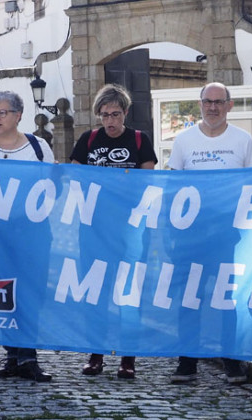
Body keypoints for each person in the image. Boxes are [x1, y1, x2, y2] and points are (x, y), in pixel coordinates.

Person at [166, 82, 252, 384]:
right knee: (189, 296)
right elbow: (173, 186)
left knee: (225, 297)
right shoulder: (183, 141)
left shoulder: (243, 140)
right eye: (208, 102)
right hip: (190, 234)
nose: (213, 107)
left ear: (229, 105)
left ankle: (231, 361)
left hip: (226, 235)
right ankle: (187, 361)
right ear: (200, 104)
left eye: (219, 102)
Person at [69, 83, 157, 379]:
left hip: (130, 230)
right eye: (105, 115)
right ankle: (95, 354)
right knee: (97, 292)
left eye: (116, 114)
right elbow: (75, 176)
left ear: (125, 113)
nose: (110, 121)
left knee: (128, 293)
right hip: (93, 230)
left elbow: (149, 181)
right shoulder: (88, 139)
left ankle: (128, 358)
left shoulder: (139, 139)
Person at [0, 91, 56, 382]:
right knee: (4, 293)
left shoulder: (38, 147)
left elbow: (52, 187)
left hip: (32, 232)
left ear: (18, 115)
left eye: (2, 112)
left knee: (31, 292)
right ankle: (12, 355)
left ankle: (28, 355)